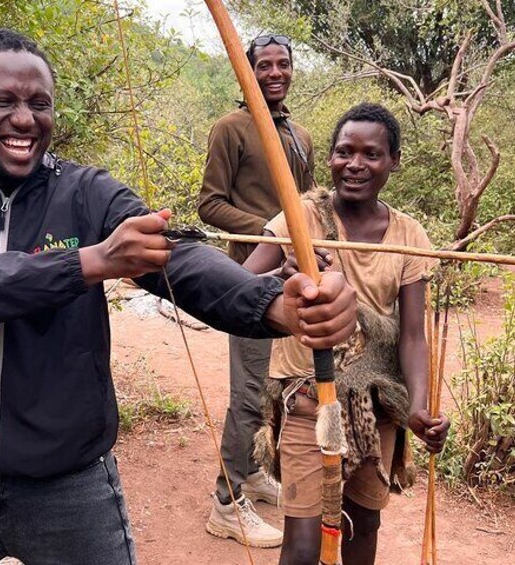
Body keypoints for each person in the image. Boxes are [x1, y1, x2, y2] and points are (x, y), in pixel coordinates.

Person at [0, 29, 357, 565]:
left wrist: (273, 304)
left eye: (40, 104)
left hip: (70, 484)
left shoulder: (85, 190)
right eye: (2, 101)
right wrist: (91, 261)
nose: (24, 119)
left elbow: (174, 253)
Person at [242, 103, 451, 565]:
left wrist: (418, 409)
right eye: (344, 151)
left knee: (363, 531)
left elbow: (413, 336)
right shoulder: (301, 217)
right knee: (301, 544)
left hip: (377, 409)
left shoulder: (408, 235)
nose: (355, 164)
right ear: (331, 158)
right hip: (307, 401)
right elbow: (240, 286)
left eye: (371, 154)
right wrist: (283, 272)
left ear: (394, 161)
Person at [197, 33, 315, 548]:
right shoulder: (231, 128)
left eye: (282, 64)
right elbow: (210, 204)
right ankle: (227, 502)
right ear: (246, 72)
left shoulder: (299, 135)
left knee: (275, 388)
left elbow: (307, 203)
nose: (274, 72)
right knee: (247, 391)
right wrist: (273, 229)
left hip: (295, 282)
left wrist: (303, 232)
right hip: (249, 281)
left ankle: (251, 472)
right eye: (262, 65)